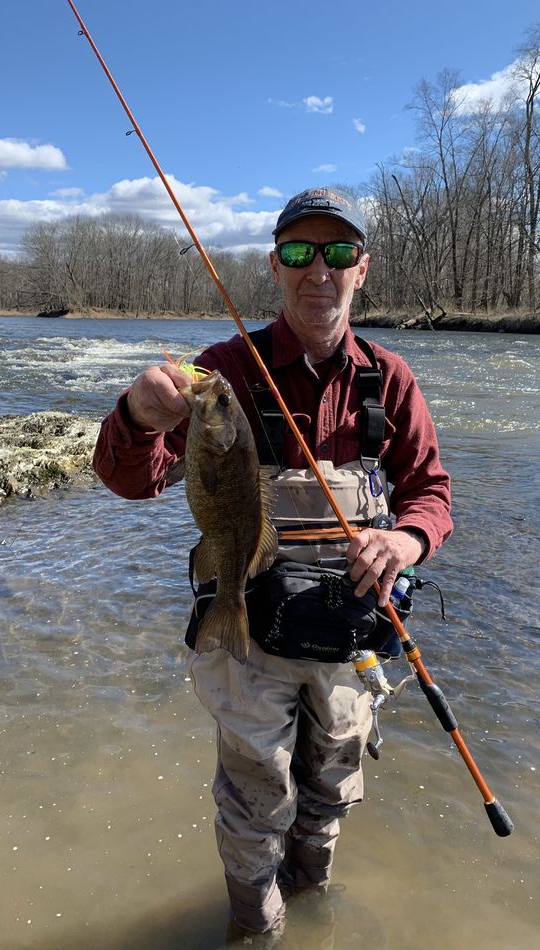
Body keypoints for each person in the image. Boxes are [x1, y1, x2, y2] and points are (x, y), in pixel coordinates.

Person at [93, 187, 453, 940]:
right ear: (274, 266)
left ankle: (312, 902)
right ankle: (253, 925)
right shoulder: (221, 371)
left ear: (362, 269)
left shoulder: (389, 378)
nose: (315, 269)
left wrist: (407, 541)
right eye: (297, 252)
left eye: (336, 252)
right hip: (246, 634)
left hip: (350, 635)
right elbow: (131, 480)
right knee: (255, 799)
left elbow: (430, 494)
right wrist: (136, 415)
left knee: (331, 790)